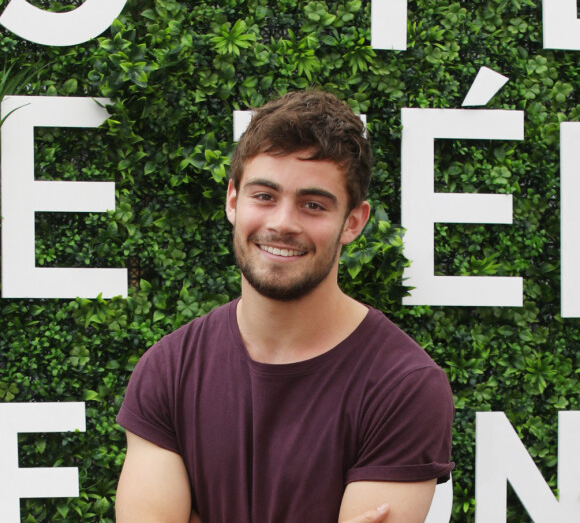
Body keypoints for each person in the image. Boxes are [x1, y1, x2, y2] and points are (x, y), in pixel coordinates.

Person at [115, 90, 454, 523]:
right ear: (233, 200)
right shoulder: (169, 369)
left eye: (313, 205)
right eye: (264, 196)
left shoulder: (403, 386)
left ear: (353, 221)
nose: (282, 223)